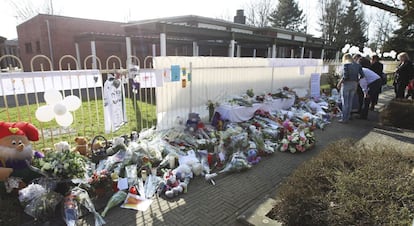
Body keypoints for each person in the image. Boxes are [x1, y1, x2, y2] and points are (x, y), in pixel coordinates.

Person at [337, 53, 365, 123]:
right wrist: (357, 80)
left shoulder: (346, 65)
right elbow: (362, 75)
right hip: (354, 84)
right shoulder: (358, 65)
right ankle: (348, 116)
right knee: (350, 101)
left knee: (345, 102)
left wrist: (339, 83)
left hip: (347, 84)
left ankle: (344, 118)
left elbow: (345, 76)